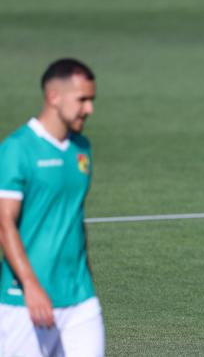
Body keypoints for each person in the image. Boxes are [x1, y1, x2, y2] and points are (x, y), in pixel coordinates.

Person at [0, 59, 105, 355]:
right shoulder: (17, 149)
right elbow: (3, 222)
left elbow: (73, 219)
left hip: (80, 297)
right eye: (82, 100)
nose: (89, 109)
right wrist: (31, 287)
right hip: (24, 302)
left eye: (91, 100)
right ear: (54, 97)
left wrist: (87, 280)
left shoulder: (81, 149)